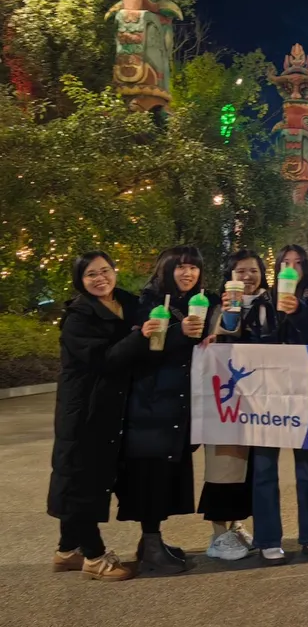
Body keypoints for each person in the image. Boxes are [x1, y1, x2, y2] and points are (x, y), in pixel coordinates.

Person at [48, 251, 162, 581]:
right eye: (91, 275)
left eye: (105, 271)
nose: (100, 279)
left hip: (113, 406)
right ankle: (94, 556)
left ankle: (67, 550)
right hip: (85, 409)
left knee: (87, 477)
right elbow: (105, 360)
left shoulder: (128, 303)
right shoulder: (78, 317)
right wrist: (139, 336)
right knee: (82, 479)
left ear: (114, 271)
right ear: (80, 281)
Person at [115, 245, 210, 574]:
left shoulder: (199, 303)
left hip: (177, 404)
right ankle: (151, 546)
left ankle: (152, 542)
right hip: (151, 403)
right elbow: (145, 349)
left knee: (167, 473)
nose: (188, 273)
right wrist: (179, 334)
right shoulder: (147, 303)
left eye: (194, 267)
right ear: (166, 269)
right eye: (181, 267)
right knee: (150, 474)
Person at [242, 246, 308, 566]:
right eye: (285, 263)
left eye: (298, 263)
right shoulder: (263, 301)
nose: (291, 268)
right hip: (267, 394)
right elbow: (249, 341)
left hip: (305, 392)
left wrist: (299, 313)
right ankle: (268, 539)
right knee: (264, 467)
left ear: (306, 268)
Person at [197, 250, 273, 562]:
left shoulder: (271, 304)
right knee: (224, 464)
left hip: (261, 398)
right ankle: (218, 534)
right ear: (230, 276)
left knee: (250, 467)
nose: (247, 276)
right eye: (240, 271)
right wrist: (228, 316)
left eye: (253, 270)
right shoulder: (220, 305)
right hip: (227, 400)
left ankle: (236, 525)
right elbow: (219, 336)